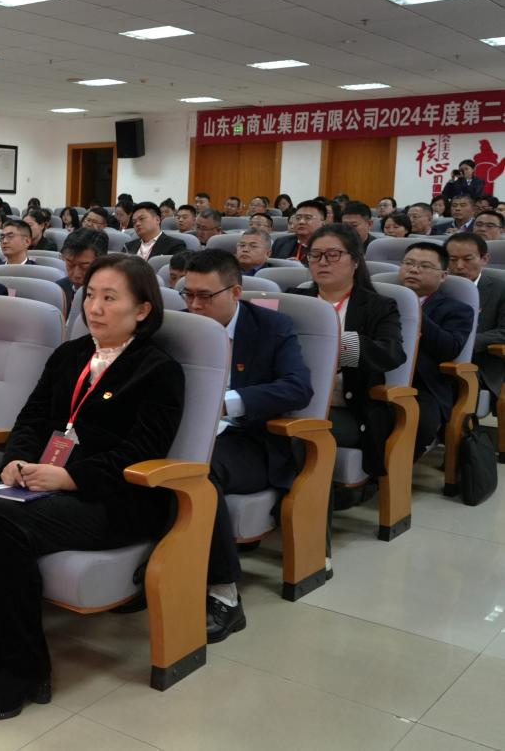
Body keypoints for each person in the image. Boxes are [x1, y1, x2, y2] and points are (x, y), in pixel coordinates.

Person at [0, 253, 183, 720]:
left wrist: (71, 477)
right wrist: (16, 460)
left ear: (143, 309)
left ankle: (24, 670)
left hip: (114, 498)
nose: (95, 308)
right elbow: (32, 417)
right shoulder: (69, 354)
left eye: (110, 298)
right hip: (44, 482)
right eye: (90, 296)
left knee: (2, 520)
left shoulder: (158, 369)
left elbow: (143, 449)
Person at [182, 250, 311, 642]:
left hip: (250, 438)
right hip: (189, 432)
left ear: (235, 292)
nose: (194, 305)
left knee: (198, 473)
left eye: (205, 296)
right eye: (188, 294)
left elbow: (297, 388)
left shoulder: (272, 326)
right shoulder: (183, 325)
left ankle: (224, 591)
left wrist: (227, 403)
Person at [289, 224, 405, 487]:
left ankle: (311, 509)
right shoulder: (294, 299)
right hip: (290, 399)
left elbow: (392, 353)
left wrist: (337, 347)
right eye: (315, 255)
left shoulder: (378, 306)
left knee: (297, 432)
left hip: (348, 408)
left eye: (333, 255)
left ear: (355, 261)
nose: (322, 262)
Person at [398, 241, 474, 455]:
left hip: (423, 387)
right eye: (408, 263)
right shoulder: (380, 299)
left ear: (443, 276)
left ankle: (391, 471)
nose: (414, 270)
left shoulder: (457, 309)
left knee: (418, 422)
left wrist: (413, 310)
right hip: (374, 377)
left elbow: (448, 349)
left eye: (424, 266)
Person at [446, 233, 505, 406]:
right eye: (452, 259)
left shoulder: (501, 289)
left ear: (484, 259)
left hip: (478, 364)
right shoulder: (437, 285)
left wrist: (464, 343)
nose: (459, 266)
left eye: (467, 259)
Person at [56, 227, 108, 305]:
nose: (76, 275)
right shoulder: (60, 288)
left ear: (102, 263)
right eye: (70, 264)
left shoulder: (111, 296)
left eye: (84, 266)